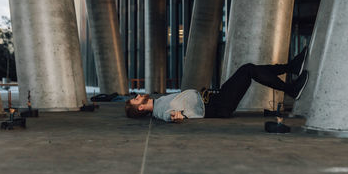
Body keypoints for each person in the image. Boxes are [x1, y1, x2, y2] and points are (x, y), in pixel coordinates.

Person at [125, 48, 309, 122]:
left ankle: (291, 67)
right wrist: (175, 116)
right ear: (141, 108)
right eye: (135, 99)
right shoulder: (159, 111)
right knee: (248, 70)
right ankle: (291, 87)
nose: (137, 95)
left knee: (248, 69)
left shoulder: (158, 101)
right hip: (218, 106)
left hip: (216, 98)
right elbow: (168, 116)